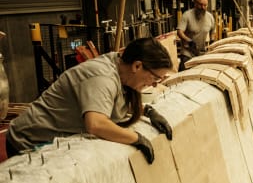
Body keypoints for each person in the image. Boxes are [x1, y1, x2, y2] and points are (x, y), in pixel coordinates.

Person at [6, 37, 173, 164]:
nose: (153, 84)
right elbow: (96, 124)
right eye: (154, 77)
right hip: (29, 140)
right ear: (137, 66)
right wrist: (136, 138)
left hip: (54, 135)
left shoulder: (120, 66)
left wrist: (148, 111)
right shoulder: (102, 76)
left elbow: (114, 102)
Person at [177, 0, 215, 71]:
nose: (203, 8)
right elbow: (179, 31)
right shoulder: (187, 15)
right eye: (201, 5)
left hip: (202, 53)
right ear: (195, 4)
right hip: (188, 52)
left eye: (205, 5)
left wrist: (212, 41)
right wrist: (189, 40)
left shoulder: (210, 17)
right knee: (184, 75)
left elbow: (212, 31)